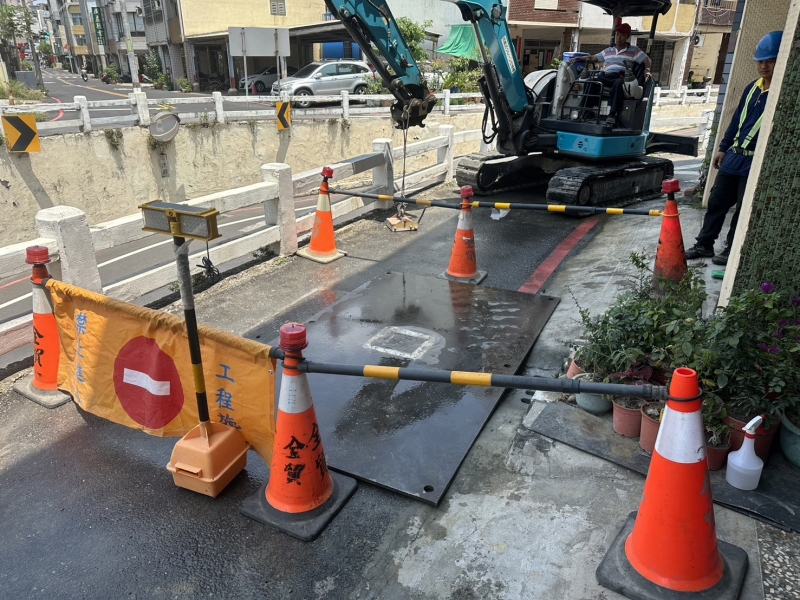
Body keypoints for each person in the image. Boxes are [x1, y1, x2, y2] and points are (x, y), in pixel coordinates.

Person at [685, 31, 782, 265]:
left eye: (770, 60)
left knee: (743, 211)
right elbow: (737, 120)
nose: (764, 66)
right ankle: (704, 244)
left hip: (754, 162)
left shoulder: (781, 93)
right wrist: (723, 147)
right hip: (733, 158)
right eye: (761, 60)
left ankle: (731, 249)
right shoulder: (752, 88)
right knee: (717, 202)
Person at [569, 23, 651, 126]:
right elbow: (593, 58)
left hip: (620, 77)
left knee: (617, 84)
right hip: (606, 75)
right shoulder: (608, 50)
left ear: (627, 37)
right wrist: (577, 58)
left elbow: (647, 60)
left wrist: (647, 70)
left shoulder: (634, 51)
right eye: (617, 34)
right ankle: (584, 111)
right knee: (593, 82)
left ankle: (612, 115)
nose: (618, 37)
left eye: (621, 35)